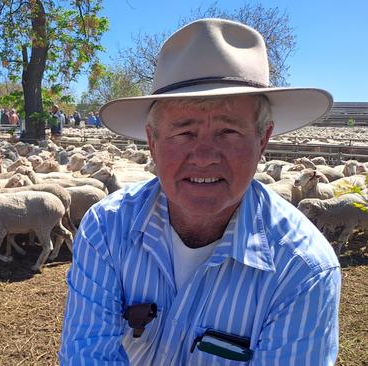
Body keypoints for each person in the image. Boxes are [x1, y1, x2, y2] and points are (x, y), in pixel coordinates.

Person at [59, 18, 340, 365]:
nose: (205, 157)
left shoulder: (302, 270)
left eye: (228, 132)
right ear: (152, 141)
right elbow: (88, 355)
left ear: (262, 139)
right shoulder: (106, 229)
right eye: (184, 132)